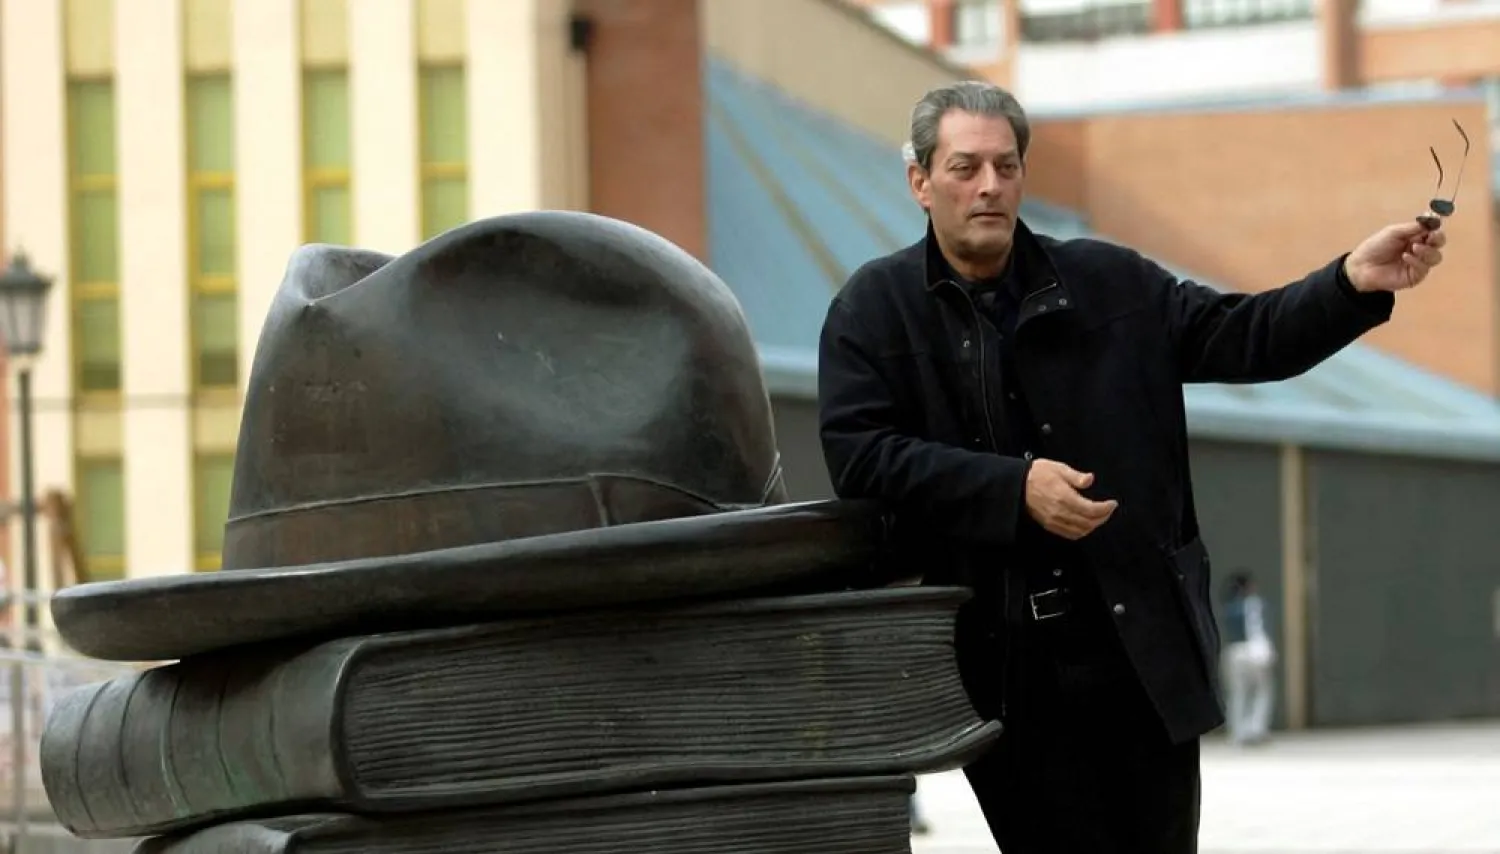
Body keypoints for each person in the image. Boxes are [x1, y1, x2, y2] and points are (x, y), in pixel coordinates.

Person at [815, 79, 1447, 854]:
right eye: (964, 167)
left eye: (1006, 166)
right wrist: (1013, 489)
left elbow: (1245, 334)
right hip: (1008, 671)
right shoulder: (874, 311)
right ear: (920, 181)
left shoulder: (1111, 284)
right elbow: (860, 456)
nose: (989, 186)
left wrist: (1351, 282)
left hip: (1142, 653)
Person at [1222, 570, 1277, 745]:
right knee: (1262, 691)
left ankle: (1237, 732)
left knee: (1237, 693)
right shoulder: (1254, 603)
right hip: (1255, 650)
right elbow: (1257, 628)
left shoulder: (1229, 606)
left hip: (1234, 651)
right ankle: (1256, 729)